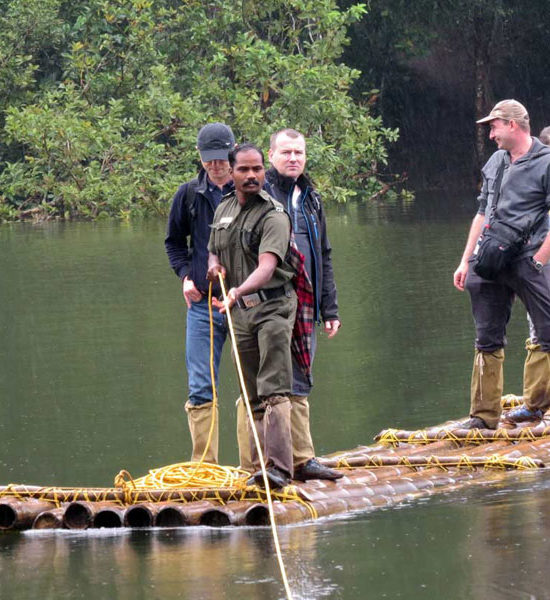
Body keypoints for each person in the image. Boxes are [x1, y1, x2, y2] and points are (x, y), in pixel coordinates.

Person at [236, 128, 342, 481]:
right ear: (271, 157)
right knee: (270, 384)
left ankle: (302, 458)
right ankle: (261, 465)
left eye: (299, 152)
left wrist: (331, 309)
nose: (293, 158)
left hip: (307, 303)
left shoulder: (310, 197)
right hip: (270, 302)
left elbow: (323, 254)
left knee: (300, 379)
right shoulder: (261, 197)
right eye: (286, 152)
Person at [453, 100, 550, 430]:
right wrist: (467, 260)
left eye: (493, 126)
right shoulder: (495, 161)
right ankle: (483, 415)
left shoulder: (546, 162)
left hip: (528, 259)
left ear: (512, 125)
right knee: (486, 336)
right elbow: (482, 212)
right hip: (488, 260)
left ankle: (535, 407)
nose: (490, 133)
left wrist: (540, 260)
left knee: (548, 330)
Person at [207, 143, 297, 489]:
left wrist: (238, 291)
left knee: (273, 388)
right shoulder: (225, 207)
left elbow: (267, 266)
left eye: (257, 169)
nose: (252, 176)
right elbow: (213, 249)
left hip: (272, 307)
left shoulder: (274, 214)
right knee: (251, 393)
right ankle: (260, 466)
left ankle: (279, 469)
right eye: (243, 170)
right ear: (231, 173)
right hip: (240, 313)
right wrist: (214, 268)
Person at [165, 122, 235, 463]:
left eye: (222, 158)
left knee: (255, 386)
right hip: (202, 306)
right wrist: (183, 277)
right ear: (200, 157)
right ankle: (204, 468)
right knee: (200, 387)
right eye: (210, 159)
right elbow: (174, 244)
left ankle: (257, 465)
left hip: (245, 305)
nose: (216, 165)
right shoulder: (188, 194)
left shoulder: (250, 191)